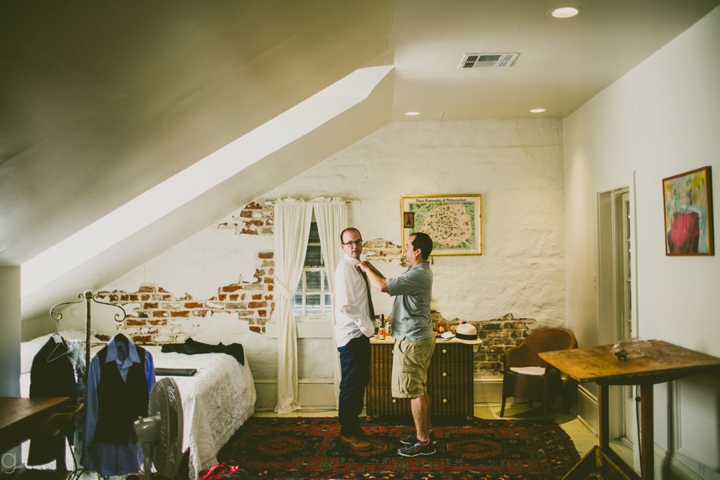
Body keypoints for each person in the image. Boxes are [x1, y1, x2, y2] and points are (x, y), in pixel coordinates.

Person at [357, 232, 435, 457]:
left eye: (408, 246)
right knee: (420, 387)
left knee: (415, 391)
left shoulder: (418, 275)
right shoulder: (417, 272)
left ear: (417, 251)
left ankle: (423, 442)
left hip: (413, 340)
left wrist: (365, 269)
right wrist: (371, 267)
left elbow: (382, 287)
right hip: (418, 337)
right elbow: (389, 284)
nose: (405, 249)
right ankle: (425, 433)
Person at [333, 227, 376, 451]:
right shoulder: (344, 270)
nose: (354, 246)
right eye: (349, 243)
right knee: (351, 385)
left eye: (357, 242)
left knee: (360, 382)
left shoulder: (358, 266)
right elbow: (346, 306)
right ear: (342, 246)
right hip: (352, 335)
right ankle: (347, 433)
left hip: (360, 333)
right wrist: (368, 326)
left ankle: (353, 425)